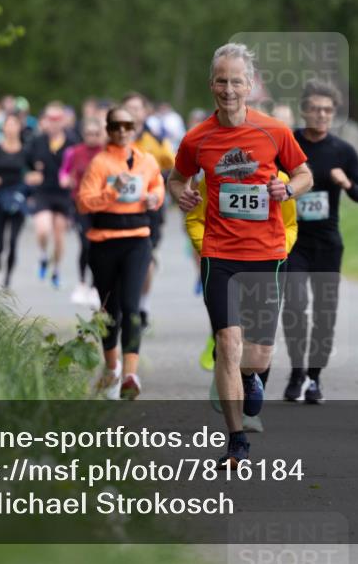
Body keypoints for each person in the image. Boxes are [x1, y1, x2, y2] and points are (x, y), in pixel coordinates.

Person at [168, 43, 312, 468]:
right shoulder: (197, 138)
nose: (228, 89)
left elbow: (304, 173)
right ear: (211, 84)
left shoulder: (274, 133)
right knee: (227, 344)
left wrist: (287, 188)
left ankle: (249, 378)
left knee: (258, 356)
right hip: (219, 253)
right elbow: (176, 179)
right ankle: (236, 440)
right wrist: (182, 193)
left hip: (266, 252)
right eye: (220, 81)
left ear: (250, 86)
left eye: (236, 81)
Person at [185, 166, 299, 432]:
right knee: (230, 336)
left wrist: (281, 250)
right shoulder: (216, 177)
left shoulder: (279, 181)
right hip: (223, 265)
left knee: (259, 357)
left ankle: (245, 374)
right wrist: (209, 250)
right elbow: (194, 218)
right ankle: (236, 430)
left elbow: (290, 225)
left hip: (265, 266)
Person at [282, 80, 358, 404]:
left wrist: (345, 182)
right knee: (294, 306)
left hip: (328, 244)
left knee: (325, 313)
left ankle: (314, 378)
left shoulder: (342, 151)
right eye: (315, 109)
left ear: (334, 114)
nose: (321, 115)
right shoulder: (287, 143)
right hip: (293, 241)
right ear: (304, 110)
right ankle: (296, 371)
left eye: (327, 110)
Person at [77, 106, 164, 400]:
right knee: (109, 311)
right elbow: (84, 203)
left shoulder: (147, 160)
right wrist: (112, 193)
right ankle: (111, 368)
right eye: (116, 126)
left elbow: (157, 187)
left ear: (135, 128)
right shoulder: (100, 164)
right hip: (104, 242)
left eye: (128, 126)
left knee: (132, 306)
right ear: (109, 129)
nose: (122, 131)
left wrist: (155, 197)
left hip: (137, 240)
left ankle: (130, 375)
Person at [123, 91, 176, 330]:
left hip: (149, 209)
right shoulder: (114, 140)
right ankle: (120, 303)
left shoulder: (156, 140)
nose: (134, 112)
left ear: (145, 112)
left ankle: (141, 305)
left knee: (145, 259)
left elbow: (173, 167)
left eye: (138, 108)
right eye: (129, 108)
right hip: (119, 208)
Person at [0, 113, 38, 289]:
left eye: (14, 124)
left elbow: (35, 173)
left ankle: (7, 277)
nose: (11, 128)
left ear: (19, 128)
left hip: (18, 199)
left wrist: (33, 179)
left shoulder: (26, 151)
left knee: (14, 240)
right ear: (3, 128)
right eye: (8, 125)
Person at [27, 102, 78, 288]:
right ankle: (42, 256)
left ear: (64, 120)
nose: (54, 123)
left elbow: (80, 167)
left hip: (63, 194)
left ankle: (56, 269)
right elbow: (25, 163)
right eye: (50, 119)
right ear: (45, 121)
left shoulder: (72, 141)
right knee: (42, 228)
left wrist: (74, 179)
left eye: (57, 119)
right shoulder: (37, 141)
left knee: (58, 237)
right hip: (43, 192)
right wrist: (30, 174)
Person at [60, 115, 107, 308]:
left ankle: (96, 286)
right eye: (89, 133)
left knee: (98, 245)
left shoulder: (106, 153)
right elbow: (64, 171)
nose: (92, 137)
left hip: (102, 205)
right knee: (86, 244)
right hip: (80, 204)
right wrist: (65, 179)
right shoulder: (75, 152)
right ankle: (81, 283)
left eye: (96, 134)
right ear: (83, 134)